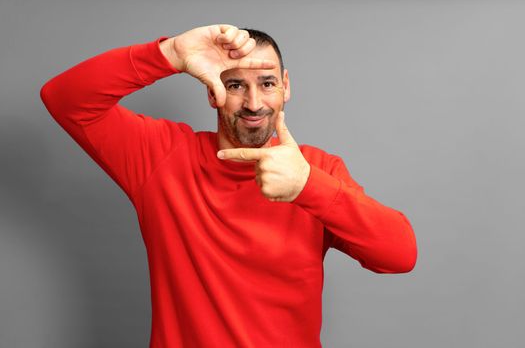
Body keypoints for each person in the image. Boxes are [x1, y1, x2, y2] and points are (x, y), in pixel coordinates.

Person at [40, 24, 417, 348]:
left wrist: (307, 187)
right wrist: (169, 53)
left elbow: (400, 255)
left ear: (285, 87)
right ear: (210, 92)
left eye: (267, 83)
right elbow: (65, 98)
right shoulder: (162, 157)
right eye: (235, 85)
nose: (253, 103)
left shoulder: (317, 169)